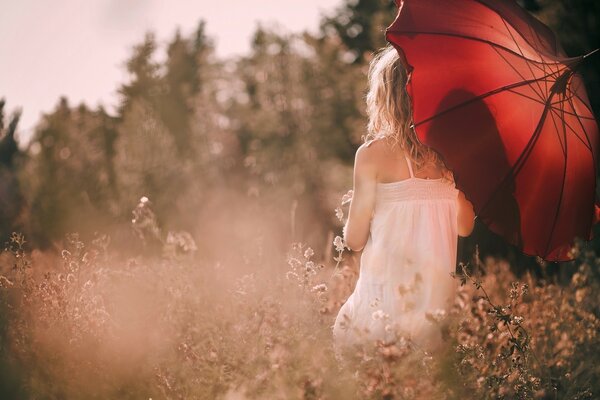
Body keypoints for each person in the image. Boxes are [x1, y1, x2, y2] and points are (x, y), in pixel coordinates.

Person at [331, 44, 476, 358]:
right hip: (432, 314)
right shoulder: (454, 157)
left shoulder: (371, 156)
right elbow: (465, 227)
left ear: (385, 97)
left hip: (381, 305)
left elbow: (354, 240)